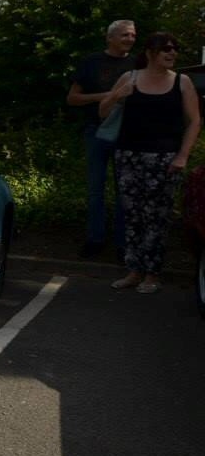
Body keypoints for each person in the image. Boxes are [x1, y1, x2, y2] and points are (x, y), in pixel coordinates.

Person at [99, 32, 201, 293]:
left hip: (165, 158)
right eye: (166, 48)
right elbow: (103, 113)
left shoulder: (182, 82)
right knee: (132, 215)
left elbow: (195, 122)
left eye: (175, 48)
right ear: (149, 53)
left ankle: (152, 274)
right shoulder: (130, 78)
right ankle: (134, 271)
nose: (172, 53)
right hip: (128, 155)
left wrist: (182, 156)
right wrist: (117, 95)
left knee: (156, 217)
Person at [67, 20, 137, 258]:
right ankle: (95, 240)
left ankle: (122, 244)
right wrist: (107, 96)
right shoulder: (91, 62)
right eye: (125, 35)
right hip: (96, 131)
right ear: (110, 37)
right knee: (96, 189)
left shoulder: (138, 64)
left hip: (127, 133)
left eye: (133, 35)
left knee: (123, 190)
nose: (130, 39)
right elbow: (73, 98)